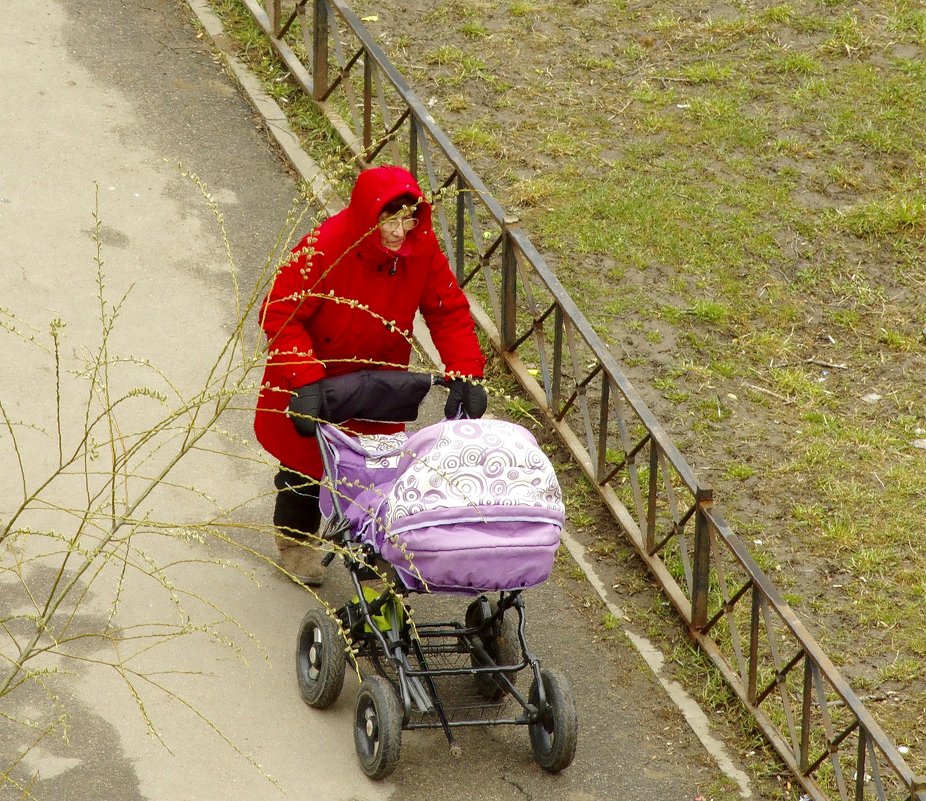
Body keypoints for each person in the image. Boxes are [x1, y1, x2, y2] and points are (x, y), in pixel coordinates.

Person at [254, 165, 488, 585]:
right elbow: (281, 312)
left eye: (409, 219)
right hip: (314, 377)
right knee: (304, 466)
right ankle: (295, 542)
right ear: (368, 215)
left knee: (373, 470)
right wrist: (304, 379)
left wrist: (466, 372)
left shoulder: (422, 249)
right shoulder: (324, 247)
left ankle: (370, 556)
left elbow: (447, 311)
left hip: (377, 380)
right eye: (389, 220)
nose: (400, 232)